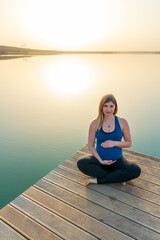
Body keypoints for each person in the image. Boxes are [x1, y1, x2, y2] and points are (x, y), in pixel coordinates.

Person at [77, 94, 141, 186]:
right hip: (100, 161)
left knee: (136, 170)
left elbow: (129, 143)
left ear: (115, 107)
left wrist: (113, 143)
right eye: (105, 106)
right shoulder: (94, 123)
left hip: (117, 160)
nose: (108, 109)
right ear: (101, 107)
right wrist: (100, 160)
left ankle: (98, 180)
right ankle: (118, 176)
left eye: (111, 106)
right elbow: (90, 145)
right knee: (81, 163)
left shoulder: (122, 122)